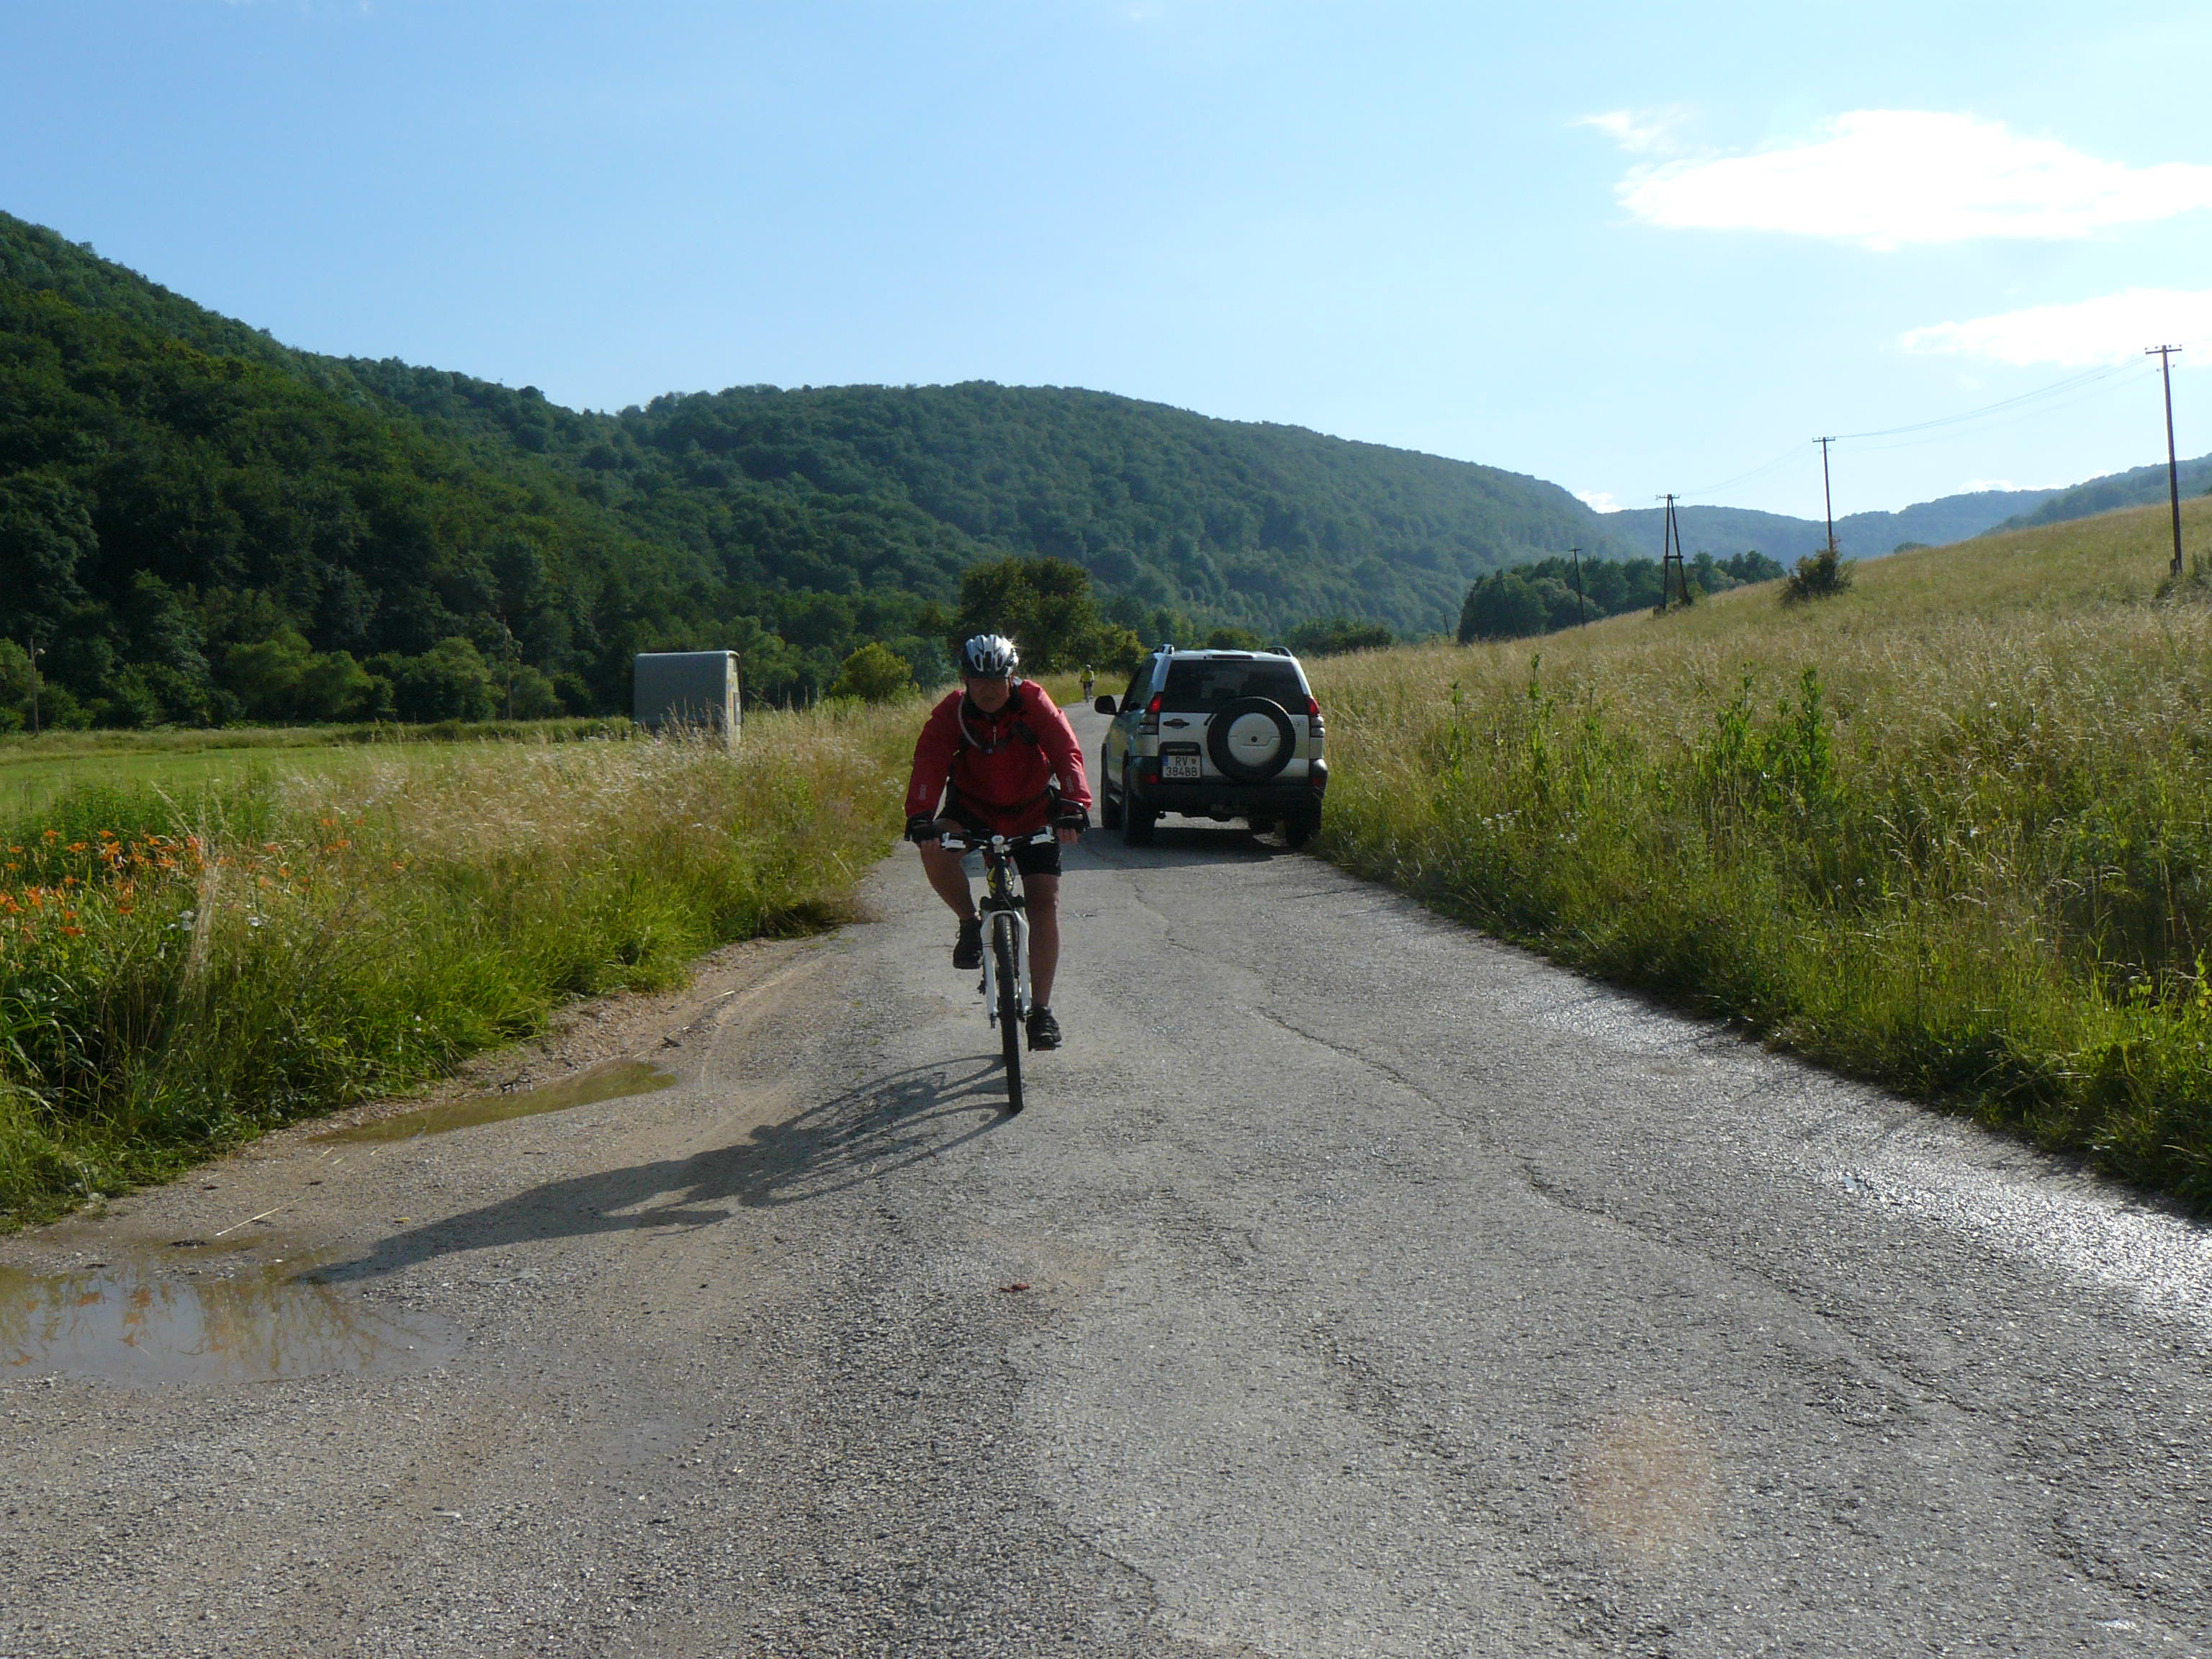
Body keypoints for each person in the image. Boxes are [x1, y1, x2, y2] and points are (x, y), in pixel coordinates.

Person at [905, 634, 1091, 1050]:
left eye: (997, 680)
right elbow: (930, 760)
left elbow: (1067, 752)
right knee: (933, 849)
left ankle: (1041, 1012)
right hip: (972, 808)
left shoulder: (1034, 702)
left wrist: (1075, 805)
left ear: (1011, 678)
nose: (988, 690)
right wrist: (919, 815)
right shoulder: (951, 713)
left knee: (1044, 902)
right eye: (978, 680)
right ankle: (970, 923)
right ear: (966, 680)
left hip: (1032, 810)